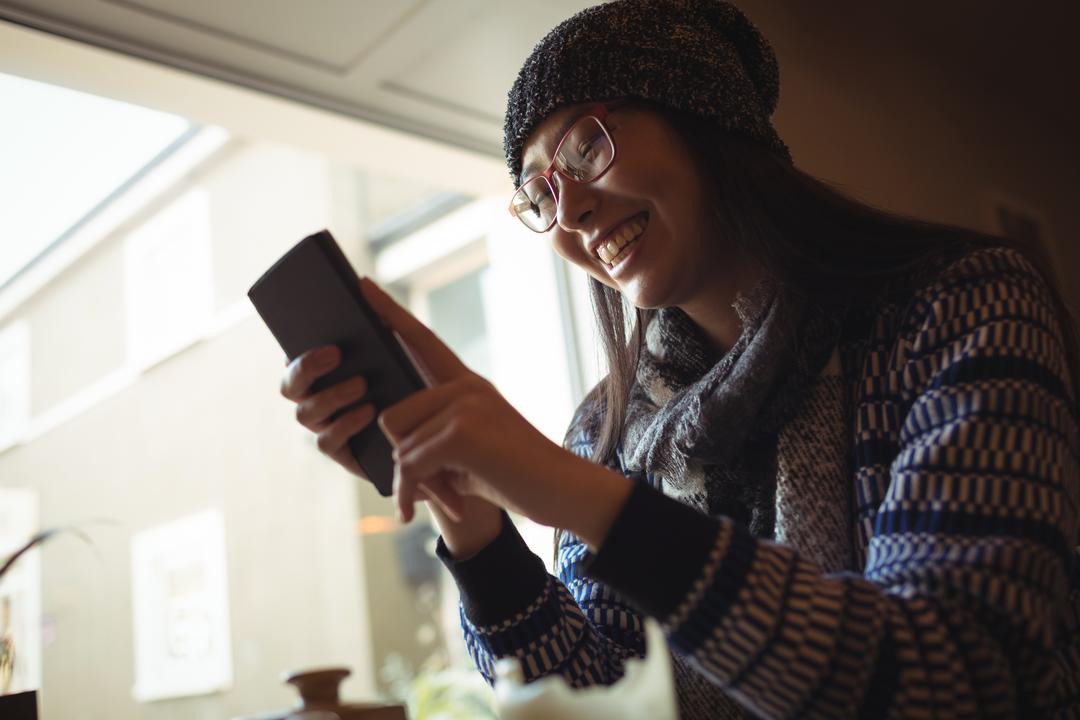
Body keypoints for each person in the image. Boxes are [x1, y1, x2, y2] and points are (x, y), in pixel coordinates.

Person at [279, 0, 1080, 717]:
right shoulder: (608, 426)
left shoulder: (959, 304)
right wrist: (473, 521)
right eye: (540, 194)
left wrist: (568, 491)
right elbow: (600, 695)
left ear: (705, 116)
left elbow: (963, 676)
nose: (572, 212)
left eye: (586, 147)